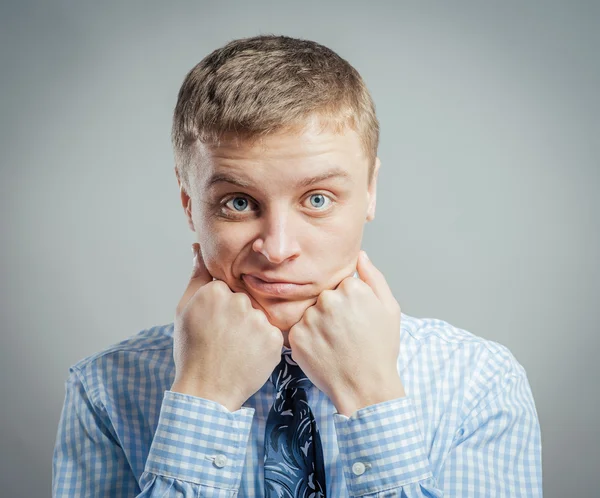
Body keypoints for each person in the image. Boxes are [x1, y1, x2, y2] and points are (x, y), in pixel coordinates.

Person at [52, 35, 542, 497]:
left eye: (318, 198)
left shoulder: (479, 383)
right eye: (239, 203)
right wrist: (202, 400)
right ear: (188, 203)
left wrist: (372, 399)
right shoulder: (106, 389)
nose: (278, 248)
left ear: (370, 190)